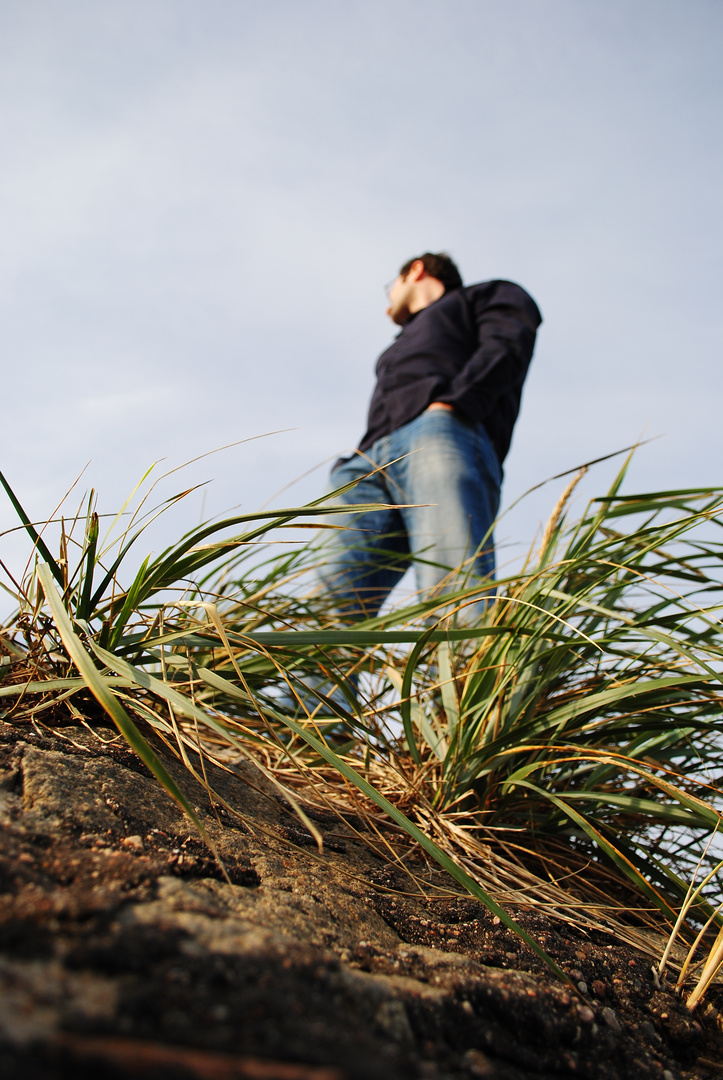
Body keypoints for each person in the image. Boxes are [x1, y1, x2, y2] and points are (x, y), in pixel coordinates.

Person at [319, 252, 542, 621]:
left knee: (453, 583)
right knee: (327, 605)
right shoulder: (398, 344)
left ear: (416, 270)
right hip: (366, 461)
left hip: (439, 434)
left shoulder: (483, 296)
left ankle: (461, 676)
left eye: (391, 286)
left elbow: (506, 345)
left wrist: (452, 404)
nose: (388, 299)